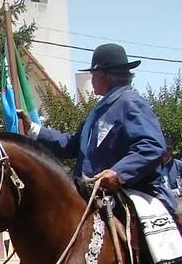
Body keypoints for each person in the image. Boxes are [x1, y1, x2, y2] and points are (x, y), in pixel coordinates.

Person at [17, 43, 175, 214]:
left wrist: (118, 173)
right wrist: (34, 129)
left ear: (103, 76)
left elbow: (152, 146)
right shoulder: (100, 109)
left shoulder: (130, 102)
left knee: (157, 240)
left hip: (134, 195)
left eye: (92, 75)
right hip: (94, 195)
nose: (91, 80)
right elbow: (71, 145)